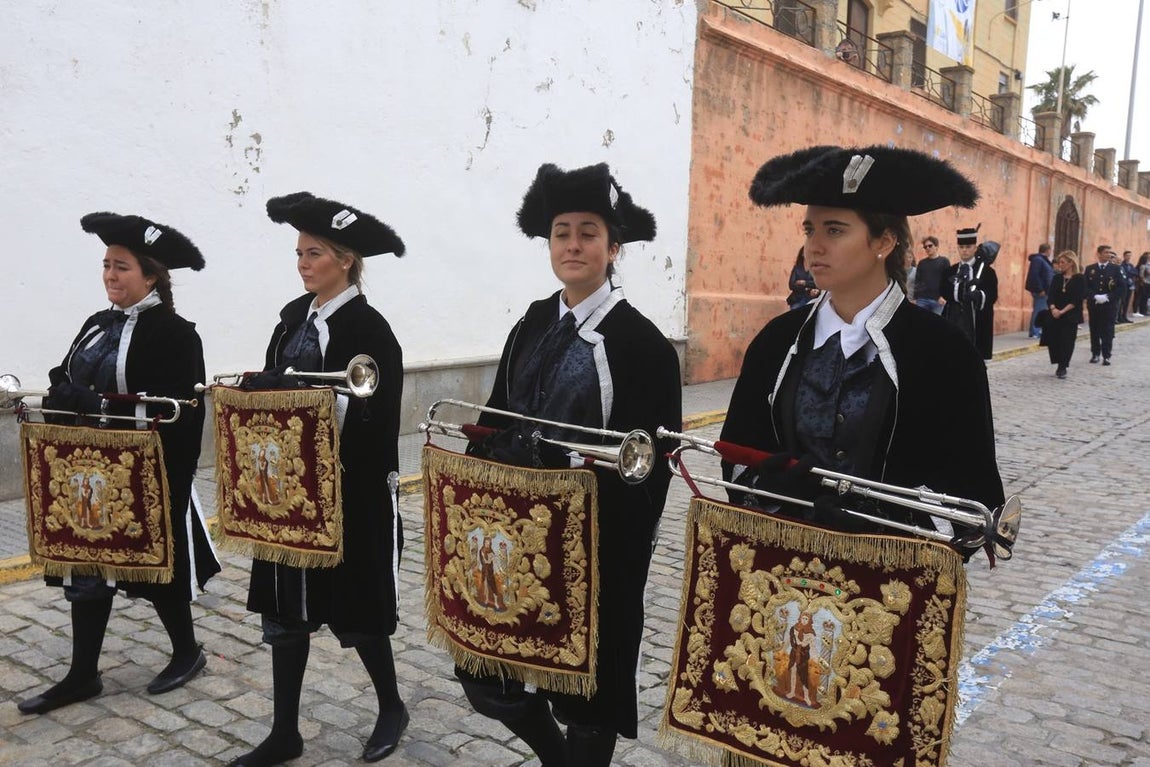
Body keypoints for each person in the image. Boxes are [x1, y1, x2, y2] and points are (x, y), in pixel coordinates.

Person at [457, 162, 681, 767]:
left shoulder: (643, 347)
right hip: (516, 542)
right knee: (487, 680)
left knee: (585, 699)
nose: (573, 245)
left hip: (597, 550)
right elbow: (497, 416)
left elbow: (647, 472)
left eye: (589, 232)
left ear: (614, 247)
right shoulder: (530, 322)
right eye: (562, 232)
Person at [721, 145, 1005, 554]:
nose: (813, 247)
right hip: (780, 569)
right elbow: (736, 454)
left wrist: (877, 515)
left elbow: (972, 496)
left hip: (891, 582)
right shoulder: (776, 342)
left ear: (884, 241)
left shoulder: (943, 353)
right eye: (809, 230)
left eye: (834, 230)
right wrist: (773, 487)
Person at [228, 193, 407, 766]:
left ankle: (392, 705)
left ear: (347, 260)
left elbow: (375, 416)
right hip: (285, 493)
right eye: (300, 253)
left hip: (344, 492)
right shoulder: (292, 318)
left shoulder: (370, 329)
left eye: (316, 254)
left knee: (354, 611)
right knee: (283, 609)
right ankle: (285, 732)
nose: (304, 264)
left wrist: (303, 400)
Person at [18, 213, 219, 715]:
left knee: (158, 572)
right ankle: (83, 674)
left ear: (150, 276)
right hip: (85, 470)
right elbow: (68, 370)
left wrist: (103, 408)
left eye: (121, 267)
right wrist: (65, 389)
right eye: (106, 265)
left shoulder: (175, 334)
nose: (110, 275)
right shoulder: (96, 323)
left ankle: (187, 652)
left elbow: (183, 409)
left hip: (145, 475)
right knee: (85, 565)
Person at [941, 225, 998, 360]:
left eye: (968, 247)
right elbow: (944, 290)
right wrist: (962, 291)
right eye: (961, 247)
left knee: (976, 359)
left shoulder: (987, 272)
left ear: (975, 247)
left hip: (977, 321)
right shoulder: (950, 271)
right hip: (954, 318)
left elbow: (992, 295)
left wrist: (979, 295)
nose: (965, 251)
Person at [1044, 250, 1085, 379]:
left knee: (1067, 341)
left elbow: (1077, 299)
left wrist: (1062, 311)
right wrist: (1053, 309)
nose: (1060, 265)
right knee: (1055, 340)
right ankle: (1057, 361)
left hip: (1070, 315)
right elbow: (1050, 296)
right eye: (1059, 262)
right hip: (1055, 314)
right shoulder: (1057, 278)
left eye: (1062, 262)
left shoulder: (1079, 279)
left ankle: (1062, 366)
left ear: (1070, 263)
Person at [1084, 244, 1121, 366]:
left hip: (1109, 305)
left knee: (1108, 330)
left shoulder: (1115, 269)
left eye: (1110, 252)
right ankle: (1095, 353)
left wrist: (1107, 297)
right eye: (1106, 252)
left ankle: (1106, 355)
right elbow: (1085, 287)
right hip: (1094, 304)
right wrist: (1094, 296)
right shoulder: (1090, 269)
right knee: (1094, 329)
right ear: (1099, 254)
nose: (1109, 254)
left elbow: (1121, 288)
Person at [912, 235, 948, 314]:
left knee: (936, 325)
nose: (927, 248)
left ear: (936, 247)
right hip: (922, 300)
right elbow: (917, 280)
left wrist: (945, 297)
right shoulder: (922, 263)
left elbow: (948, 280)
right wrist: (915, 298)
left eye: (930, 246)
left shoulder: (944, 261)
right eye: (925, 247)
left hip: (938, 300)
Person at [1025, 243, 1054, 338]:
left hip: (1045, 290)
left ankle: (1037, 330)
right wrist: (1040, 289)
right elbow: (1035, 275)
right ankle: (1035, 331)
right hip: (1041, 291)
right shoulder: (1038, 260)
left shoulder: (1042, 260)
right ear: (1047, 250)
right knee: (1038, 310)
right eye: (1050, 250)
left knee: (1041, 310)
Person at [1117, 250, 1137, 323]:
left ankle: (1124, 316)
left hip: (1130, 286)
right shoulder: (1122, 265)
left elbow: (1135, 272)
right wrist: (1130, 273)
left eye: (1130, 255)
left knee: (1127, 302)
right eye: (1127, 255)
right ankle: (1119, 317)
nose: (1128, 257)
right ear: (1124, 256)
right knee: (1122, 302)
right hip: (1124, 286)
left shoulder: (1131, 265)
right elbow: (1125, 274)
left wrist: (1130, 273)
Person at [1135, 252, 1150, 317]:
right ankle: (1139, 311)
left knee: (1145, 298)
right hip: (1144, 283)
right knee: (1141, 297)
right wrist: (1143, 281)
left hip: (1147, 282)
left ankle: (1144, 311)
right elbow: (1141, 275)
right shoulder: (1143, 266)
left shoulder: (1147, 265)